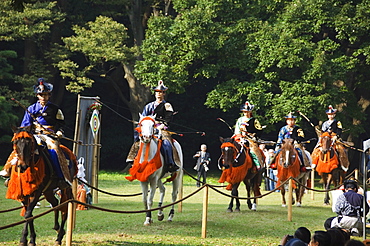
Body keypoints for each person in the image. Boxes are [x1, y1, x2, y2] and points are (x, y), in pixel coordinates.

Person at [15, 78, 70, 189]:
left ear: (49, 95)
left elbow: (61, 123)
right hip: (34, 134)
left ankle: (60, 178)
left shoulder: (55, 109)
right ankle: (9, 171)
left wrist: (59, 131)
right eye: (41, 95)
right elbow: (25, 125)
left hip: (49, 135)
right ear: (37, 96)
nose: (43, 97)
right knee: (21, 146)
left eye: (45, 95)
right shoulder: (31, 108)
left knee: (54, 149)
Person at [126, 80, 178, 172]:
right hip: (148, 127)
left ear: (164, 94)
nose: (158, 94)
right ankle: (133, 157)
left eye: (161, 92)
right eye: (157, 92)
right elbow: (144, 117)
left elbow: (168, 119)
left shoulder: (167, 105)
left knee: (166, 143)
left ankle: (170, 163)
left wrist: (161, 126)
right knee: (138, 136)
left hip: (161, 127)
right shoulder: (149, 106)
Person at [233, 101, 264, 170]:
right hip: (240, 137)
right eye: (244, 112)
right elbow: (237, 130)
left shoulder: (254, 120)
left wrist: (253, 135)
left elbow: (258, 131)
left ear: (250, 112)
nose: (246, 113)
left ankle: (257, 164)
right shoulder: (240, 120)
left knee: (252, 151)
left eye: (247, 111)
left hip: (250, 139)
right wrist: (240, 137)